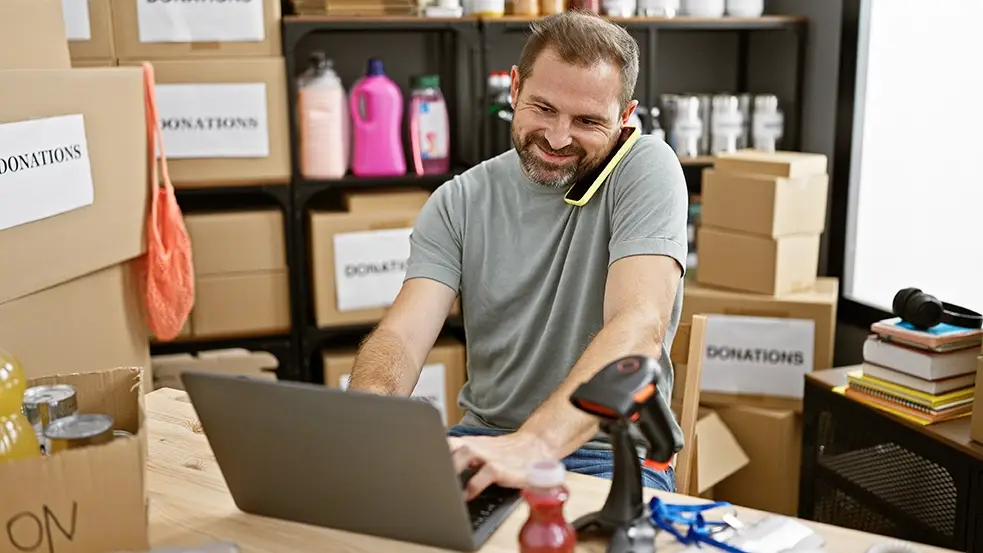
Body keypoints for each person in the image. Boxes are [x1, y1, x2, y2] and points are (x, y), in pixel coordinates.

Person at [346, 11, 688, 500]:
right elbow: (402, 334)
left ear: (625, 116)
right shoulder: (458, 200)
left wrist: (533, 445)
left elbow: (637, 326)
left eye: (588, 121)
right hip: (483, 440)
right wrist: (368, 416)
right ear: (514, 88)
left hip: (608, 452)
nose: (557, 137)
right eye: (543, 108)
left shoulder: (646, 169)